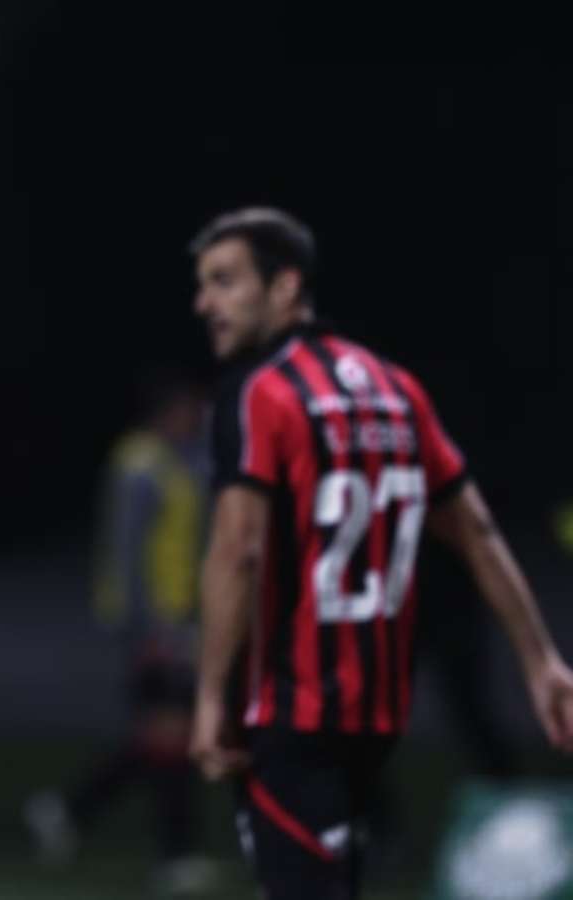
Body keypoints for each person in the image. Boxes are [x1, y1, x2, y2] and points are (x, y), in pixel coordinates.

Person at [185, 207, 573, 899]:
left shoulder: (260, 393)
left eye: (224, 281)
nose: (204, 303)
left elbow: (239, 548)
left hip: (292, 710)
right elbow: (478, 531)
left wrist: (212, 695)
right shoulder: (398, 390)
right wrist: (540, 660)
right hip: (376, 712)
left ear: (285, 286)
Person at [24, 376, 217, 892]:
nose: (197, 418)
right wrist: (148, 630)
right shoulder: (140, 465)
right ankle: (176, 855)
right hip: (155, 626)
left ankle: (68, 811)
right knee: (171, 738)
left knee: (162, 738)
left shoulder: (177, 460)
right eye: (190, 408)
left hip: (178, 620)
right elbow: (128, 554)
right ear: (166, 410)